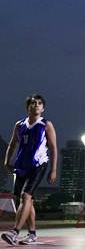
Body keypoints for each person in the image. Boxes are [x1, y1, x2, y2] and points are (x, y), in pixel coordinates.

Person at [2, 94, 58, 246]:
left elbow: (53, 148)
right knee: (27, 201)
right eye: (33, 103)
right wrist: (7, 161)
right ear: (28, 107)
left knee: (25, 196)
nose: (36, 105)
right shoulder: (19, 125)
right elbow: (12, 144)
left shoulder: (46, 125)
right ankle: (32, 234)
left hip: (38, 164)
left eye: (39, 103)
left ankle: (14, 232)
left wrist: (53, 170)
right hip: (21, 166)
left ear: (43, 108)